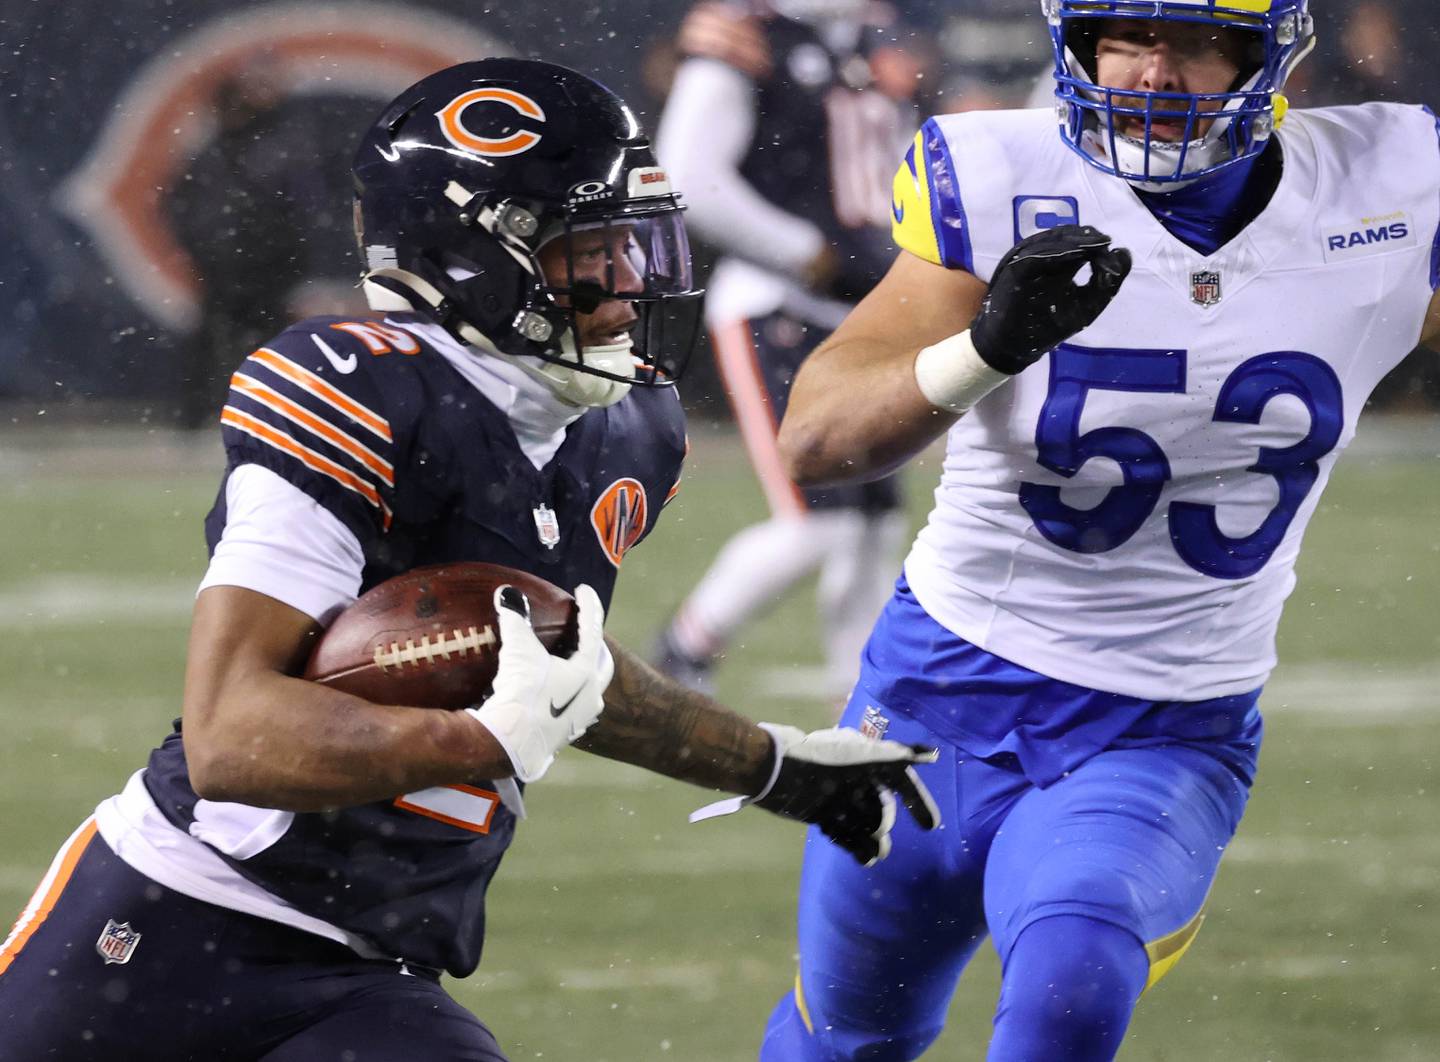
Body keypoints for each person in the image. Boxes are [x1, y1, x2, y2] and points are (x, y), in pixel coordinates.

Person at [0, 59, 941, 1061]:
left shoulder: (627, 430)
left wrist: (771, 764)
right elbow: (232, 740)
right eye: (589, 252)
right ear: (467, 260)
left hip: (369, 973)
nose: (629, 283)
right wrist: (475, 743)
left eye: (633, 244)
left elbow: (553, 665)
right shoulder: (362, 392)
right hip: (171, 924)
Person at [758, 2, 1440, 1059]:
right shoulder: (997, 175)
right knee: (844, 1041)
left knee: (1070, 991)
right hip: (934, 694)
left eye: (1197, 41)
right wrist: (981, 348)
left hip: (1164, 726)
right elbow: (816, 440)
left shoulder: (1392, 184)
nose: (1151, 72)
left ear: (1274, 51)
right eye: (1123, 34)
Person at [649, 0, 924, 696]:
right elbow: (692, 177)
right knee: (819, 524)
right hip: (779, 305)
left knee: (873, 524)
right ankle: (685, 646)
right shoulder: (751, 39)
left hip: (855, 309)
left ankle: (868, 693)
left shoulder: (859, 44)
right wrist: (806, 254)